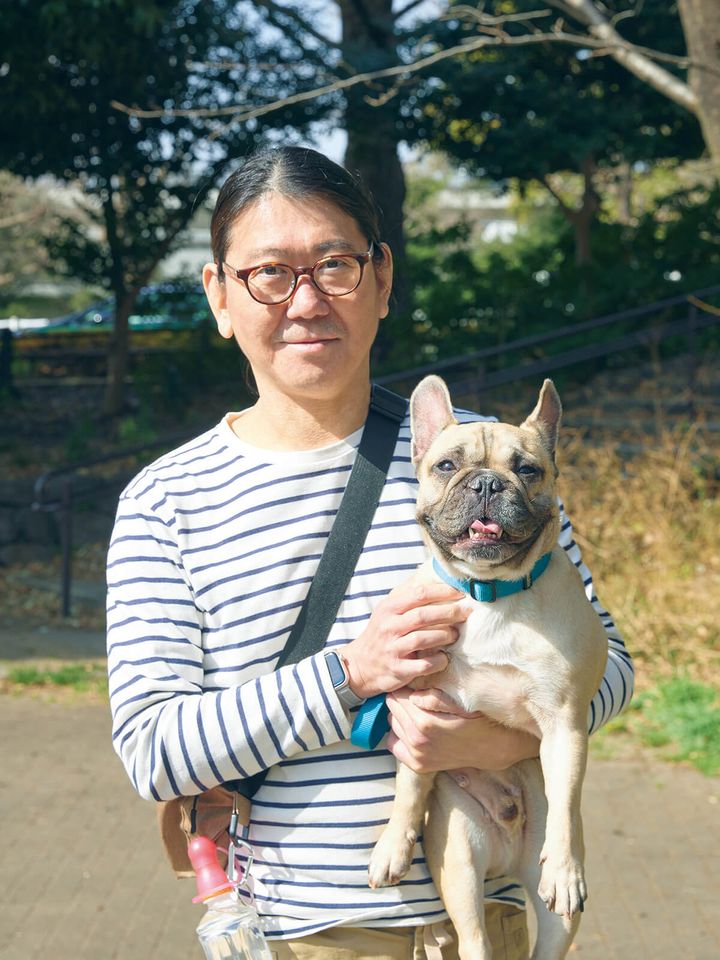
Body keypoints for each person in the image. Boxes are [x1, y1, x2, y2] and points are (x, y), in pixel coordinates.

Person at [106, 146, 634, 960]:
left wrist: (496, 736)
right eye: (270, 274)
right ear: (218, 294)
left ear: (382, 280)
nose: (308, 300)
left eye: (336, 265)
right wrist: (349, 675)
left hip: (487, 927)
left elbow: (609, 666)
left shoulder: (484, 467)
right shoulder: (165, 502)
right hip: (309, 936)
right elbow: (153, 750)